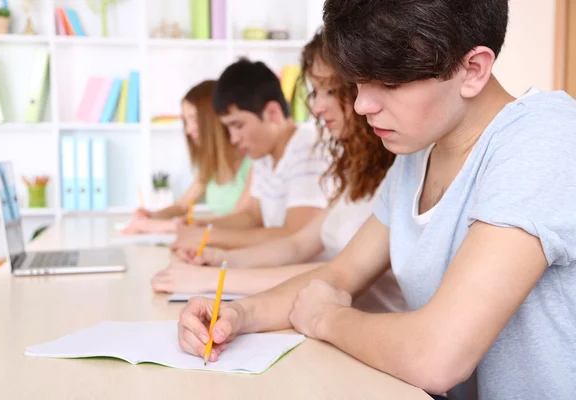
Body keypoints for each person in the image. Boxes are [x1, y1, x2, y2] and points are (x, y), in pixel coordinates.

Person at [176, 1, 576, 399]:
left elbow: (437, 356)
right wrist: (237, 314)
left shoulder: (545, 137)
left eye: (389, 83)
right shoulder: (418, 154)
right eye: (358, 83)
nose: (361, 105)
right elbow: (339, 274)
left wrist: (327, 318)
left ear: (472, 70)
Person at [152, 32, 405, 314]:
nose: (318, 108)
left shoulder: (392, 168)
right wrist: (219, 258)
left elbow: (335, 270)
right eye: (316, 92)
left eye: (331, 90)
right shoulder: (359, 169)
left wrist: (213, 276)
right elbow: (297, 244)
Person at [170, 59, 330, 250]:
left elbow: (294, 234)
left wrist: (207, 236)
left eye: (238, 125)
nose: (233, 138)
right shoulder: (264, 155)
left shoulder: (308, 149)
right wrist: (200, 226)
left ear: (272, 113)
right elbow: (252, 215)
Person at [122, 80, 252, 234]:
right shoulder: (211, 166)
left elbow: (237, 222)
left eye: (195, 120)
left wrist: (157, 226)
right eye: (186, 121)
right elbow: (182, 206)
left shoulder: (253, 162)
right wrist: (151, 216)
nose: (188, 130)